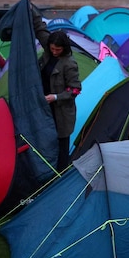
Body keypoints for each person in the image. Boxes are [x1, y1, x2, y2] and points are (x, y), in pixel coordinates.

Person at [39, 29, 82, 172]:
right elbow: (40, 29)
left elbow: (75, 89)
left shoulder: (69, 64)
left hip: (61, 112)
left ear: (64, 48)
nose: (54, 52)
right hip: (46, 107)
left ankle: (61, 173)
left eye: (58, 49)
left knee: (62, 144)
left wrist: (56, 97)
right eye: (52, 49)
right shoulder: (48, 54)